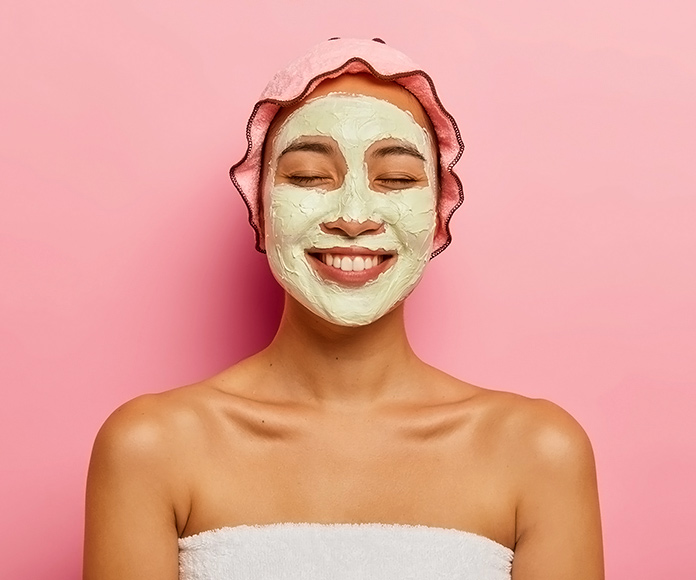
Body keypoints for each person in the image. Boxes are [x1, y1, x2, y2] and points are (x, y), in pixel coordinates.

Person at [83, 38, 604, 579]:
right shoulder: (150, 446)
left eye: (397, 179)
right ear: (260, 210)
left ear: (438, 216)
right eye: (308, 176)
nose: (353, 216)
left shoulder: (539, 452)